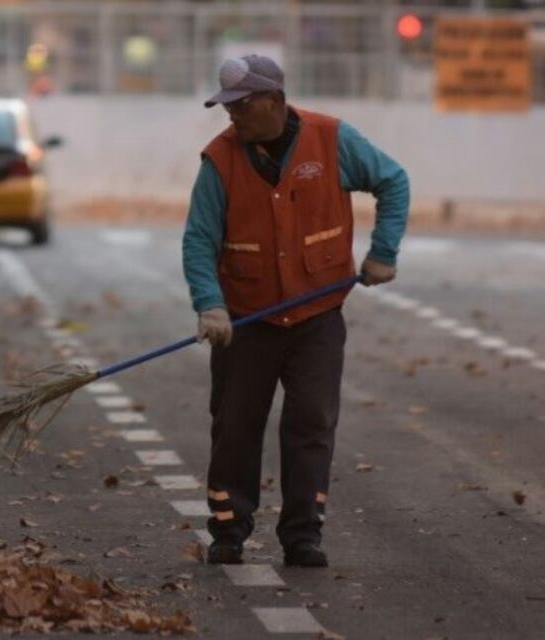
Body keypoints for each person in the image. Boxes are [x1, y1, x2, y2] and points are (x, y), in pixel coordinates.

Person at [182, 54, 409, 567]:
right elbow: (199, 240)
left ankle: (303, 533)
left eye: (242, 106)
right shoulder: (220, 160)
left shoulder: (332, 141)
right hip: (245, 320)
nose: (232, 116)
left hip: (318, 315)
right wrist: (210, 305)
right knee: (235, 425)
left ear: (275, 102)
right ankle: (228, 528)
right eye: (227, 107)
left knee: (311, 422)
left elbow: (394, 182)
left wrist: (383, 253)